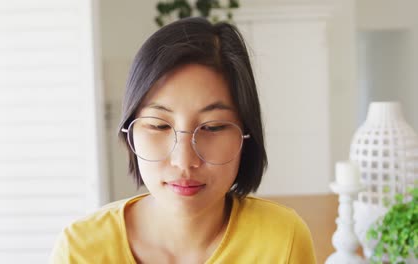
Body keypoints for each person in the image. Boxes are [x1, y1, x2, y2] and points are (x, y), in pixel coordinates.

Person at [49, 17, 316, 264]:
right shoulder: (80, 249)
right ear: (129, 131)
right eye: (159, 125)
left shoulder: (283, 241)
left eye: (212, 127)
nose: (184, 161)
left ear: (246, 135)